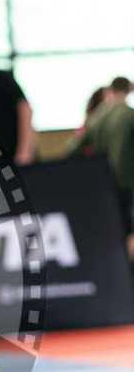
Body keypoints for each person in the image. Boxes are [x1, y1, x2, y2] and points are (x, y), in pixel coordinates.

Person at [63, 75, 134, 245]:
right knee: (127, 231)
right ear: (129, 89)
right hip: (126, 184)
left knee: (111, 231)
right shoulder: (129, 115)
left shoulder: (96, 116)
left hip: (103, 183)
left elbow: (71, 150)